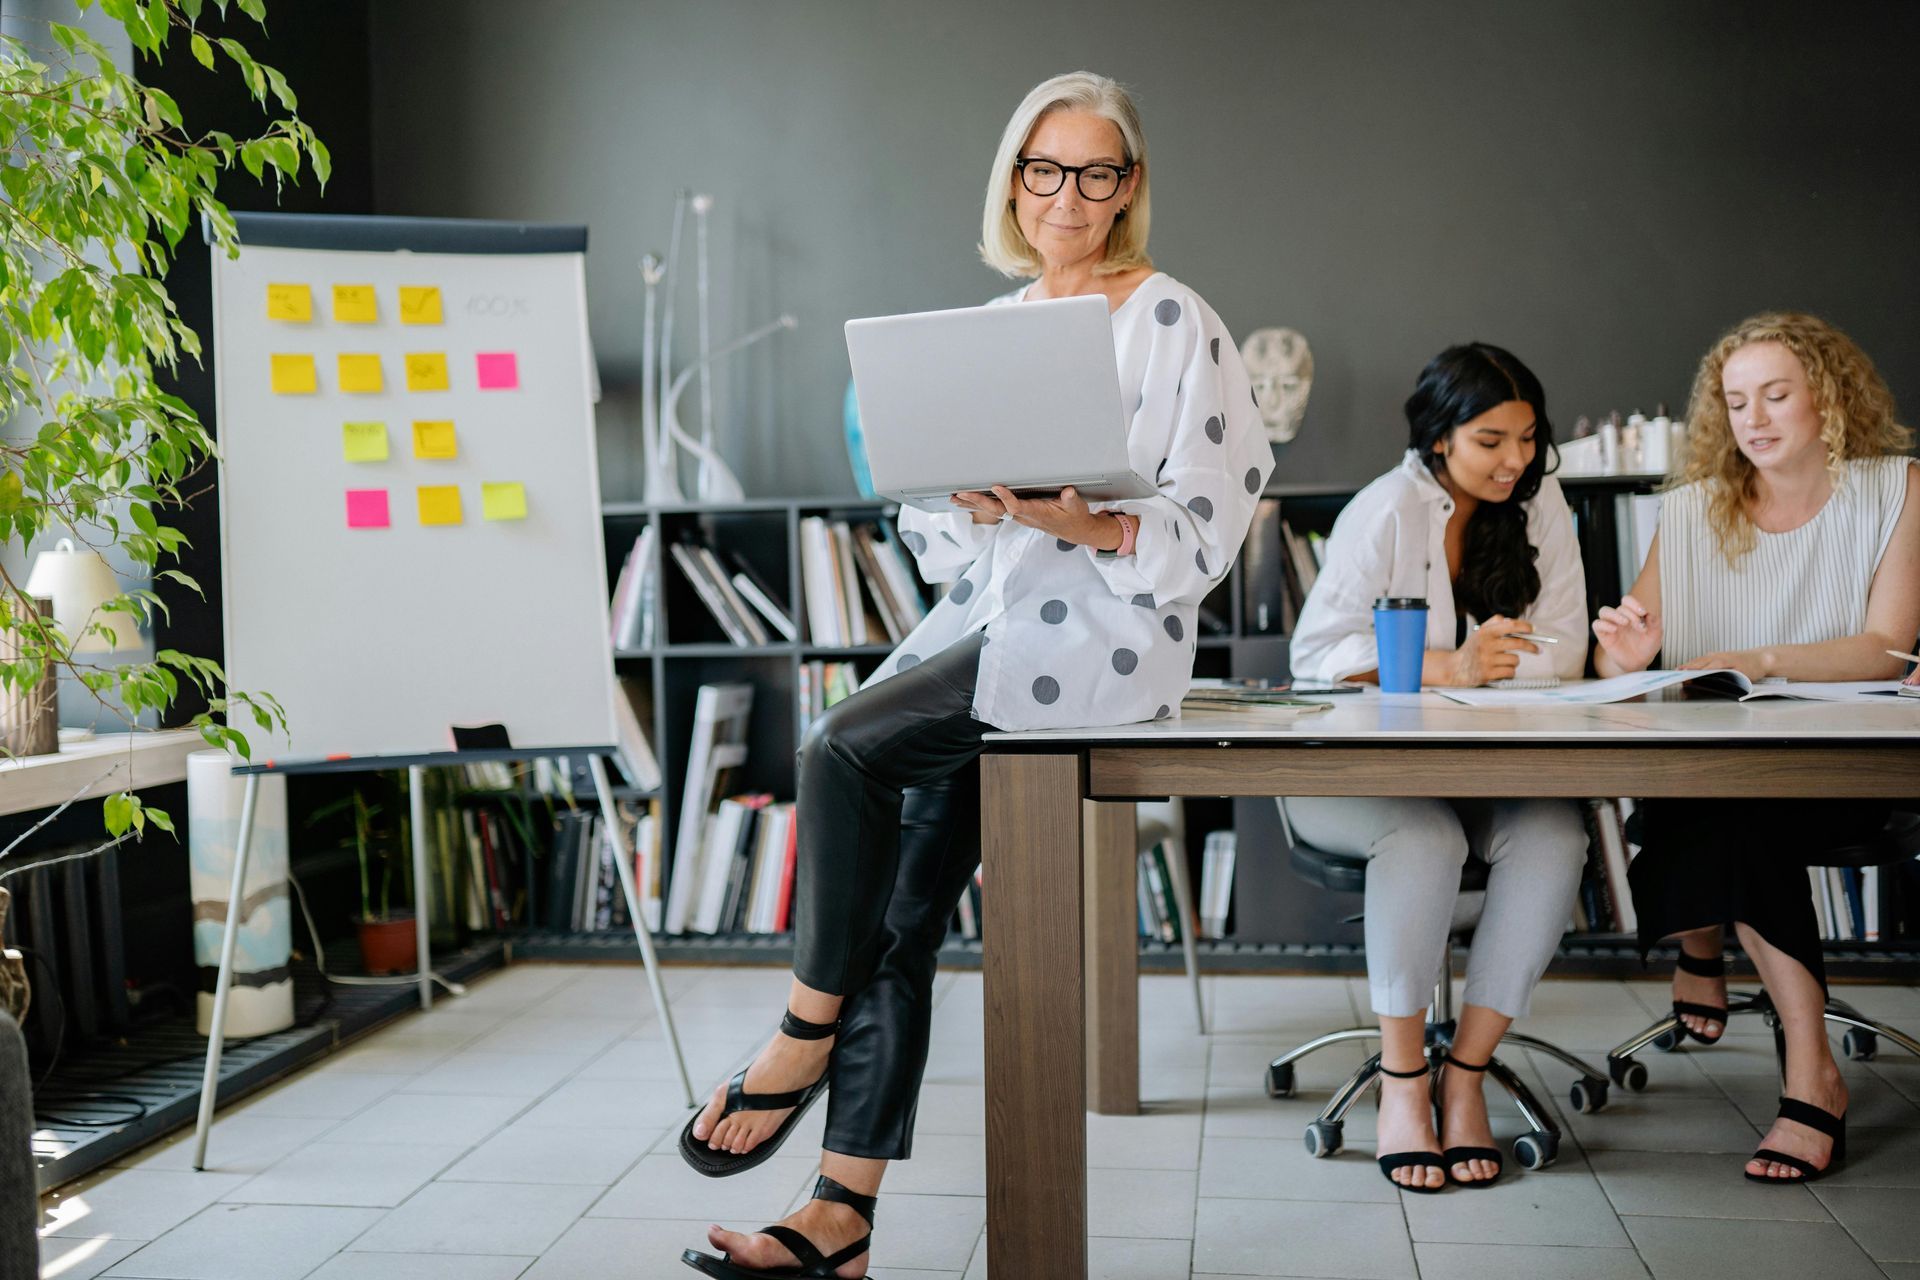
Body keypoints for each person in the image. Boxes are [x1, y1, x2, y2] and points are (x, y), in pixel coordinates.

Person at [679, 70, 1273, 1278]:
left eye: (1098, 172)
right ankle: (839, 1216)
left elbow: (1215, 519)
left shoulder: (1171, 317)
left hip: (1098, 640)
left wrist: (1085, 522)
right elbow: (944, 541)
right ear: (1015, 180)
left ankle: (803, 1026)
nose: (1070, 195)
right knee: (898, 911)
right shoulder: (993, 329)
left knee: (839, 743)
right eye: (1046, 169)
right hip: (986, 627)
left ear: (1130, 187)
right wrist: (971, 502)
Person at [1593, 311, 1920, 1183]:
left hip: (1837, 769)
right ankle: (1808, 1066)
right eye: (1737, 402)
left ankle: (1730, 977)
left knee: (1731, 818)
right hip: (1713, 768)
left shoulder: (1895, 489)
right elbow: (1631, 647)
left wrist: (1760, 658)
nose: (1755, 419)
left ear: (1830, 399)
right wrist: (1625, 653)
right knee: (1720, 801)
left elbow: (1888, 646)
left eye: (1777, 394)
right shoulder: (1694, 510)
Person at [1286, 343, 1589, 1192]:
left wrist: (1486, 663)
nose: (1516, 461)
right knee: (1422, 839)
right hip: (1357, 781)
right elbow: (1316, 654)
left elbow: (1564, 654)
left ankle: (1466, 1074)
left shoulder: (1542, 505)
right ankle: (1403, 1083)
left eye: (1528, 439)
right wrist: (1449, 665)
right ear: (1439, 437)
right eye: (1491, 440)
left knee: (1556, 833)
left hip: (1484, 773)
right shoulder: (1384, 509)